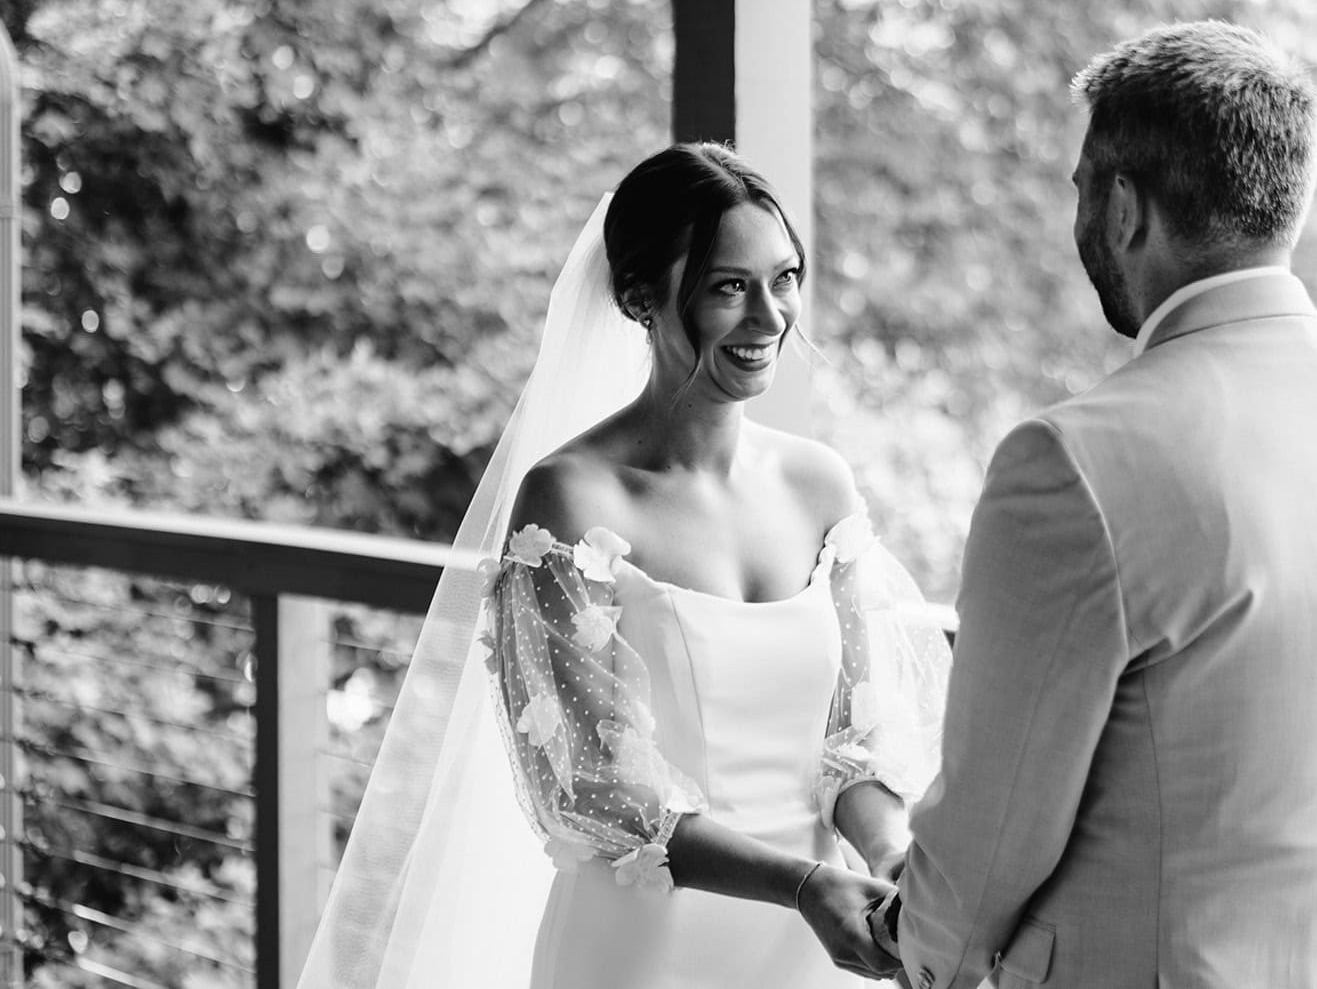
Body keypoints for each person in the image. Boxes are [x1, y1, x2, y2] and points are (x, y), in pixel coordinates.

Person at [868, 21, 1317, 989]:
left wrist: (914, 945)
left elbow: (990, 841)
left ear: (1122, 206)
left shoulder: (1074, 460)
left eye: (1081, 187)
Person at [295, 143, 948, 989]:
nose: (771, 317)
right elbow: (595, 791)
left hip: (822, 946)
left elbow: (855, 741)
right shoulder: (568, 499)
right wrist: (801, 885)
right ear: (641, 297)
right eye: (728, 287)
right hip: (645, 953)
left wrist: (890, 859)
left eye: (784, 278)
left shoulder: (820, 483)